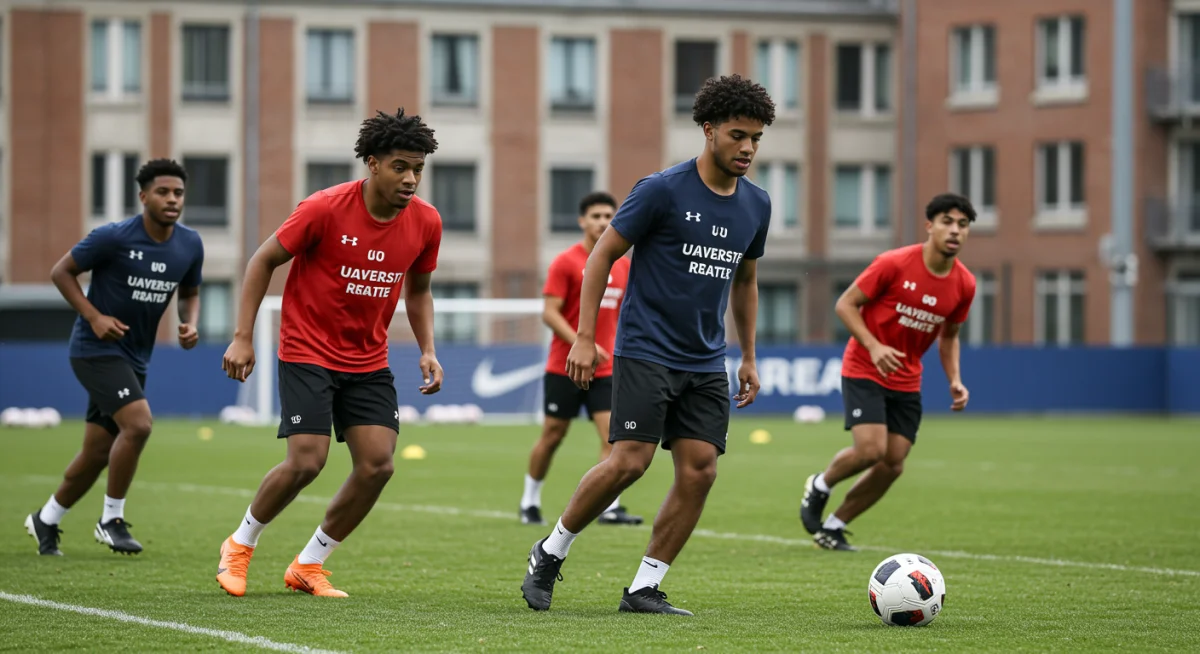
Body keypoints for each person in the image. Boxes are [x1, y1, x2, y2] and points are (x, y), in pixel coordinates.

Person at [521, 74, 775, 615]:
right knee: (629, 462)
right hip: (645, 349)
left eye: (756, 138)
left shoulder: (757, 204)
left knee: (701, 469)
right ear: (708, 130)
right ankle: (551, 550)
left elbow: (746, 281)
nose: (748, 148)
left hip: (706, 358)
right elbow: (601, 257)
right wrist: (584, 337)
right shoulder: (661, 189)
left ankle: (644, 587)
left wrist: (749, 355)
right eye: (737, 135)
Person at [215, 108, 444, 598]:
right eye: (400, 167)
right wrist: (242, 335)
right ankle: (239, 545)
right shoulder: (324, 208)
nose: (410, 179)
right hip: (307, 350)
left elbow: (419, 290)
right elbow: (262, 260)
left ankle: (309, 564)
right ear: (372, 163)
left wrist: (428, 349)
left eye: (418, 169)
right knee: (306, 461)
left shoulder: (427, 222)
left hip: (368, 359)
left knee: (378, 465)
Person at [25, 159, 204, 556]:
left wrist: (189, 323)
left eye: (178, 193)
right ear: (143, 196)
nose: (172, 199)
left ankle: (46, 519)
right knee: (138, 425)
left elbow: (190, 292)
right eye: (162, 192)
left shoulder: (190, 244)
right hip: (94, 350)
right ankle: (111, 519)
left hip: (136, 357)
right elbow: (61, 272)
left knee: (96, 453)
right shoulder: (113, 237)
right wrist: (94, 316)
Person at [799, 193, 977, 552]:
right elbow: (845, 304)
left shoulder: (965, 284)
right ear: (929, 226)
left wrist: (955, 380)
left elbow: (949, 337)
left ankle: (834, 525)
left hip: (906, 378)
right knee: (870, 450)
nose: (955, 230)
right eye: (947, 222)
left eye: (962, 224)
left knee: (893, 463)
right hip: (864, 366)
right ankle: (820, 484)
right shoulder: (893, 263)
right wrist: (874, 346)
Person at [519, 191, 643, 527]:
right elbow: (549, 313)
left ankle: (610, 506)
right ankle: (529, 501)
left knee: (611, 438)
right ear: (582, 221)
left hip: (606, 369)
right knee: (553, 435)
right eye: (596, 216)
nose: (602, 222)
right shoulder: (566, 262)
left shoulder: (624, 266)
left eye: (608, 216)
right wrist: (582, 343)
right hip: (565, 367)